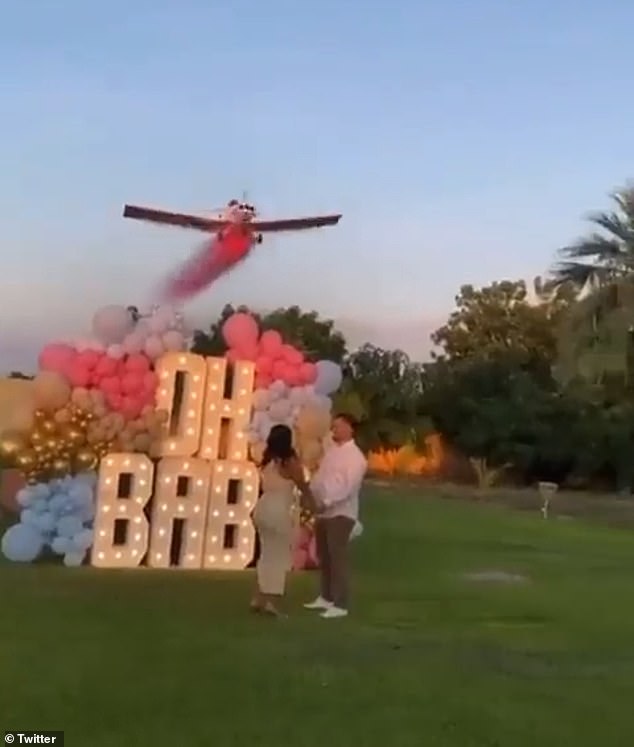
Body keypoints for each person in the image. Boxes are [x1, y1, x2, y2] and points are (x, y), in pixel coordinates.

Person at [304, 413, 367, 619]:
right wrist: (313, 497)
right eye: (334, 427)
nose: (334, 431)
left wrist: (328, 501)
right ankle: (326, 596)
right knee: (324, 555)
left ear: (350, 429)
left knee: (337, 556)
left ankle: (341, 603)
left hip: (341, 513)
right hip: (324, 512)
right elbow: (321, 477)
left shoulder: (356, 458)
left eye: (339, 427)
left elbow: (348, 486)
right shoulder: (331, 452)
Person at [251, 424, 314, 617]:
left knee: (267, 554)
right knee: (279, 555)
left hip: (262, 507)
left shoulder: (268, 460)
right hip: (278, 509)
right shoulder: (289, 462)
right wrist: (313, 503)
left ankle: (259, 597)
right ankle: (272, 601)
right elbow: (302, 484)